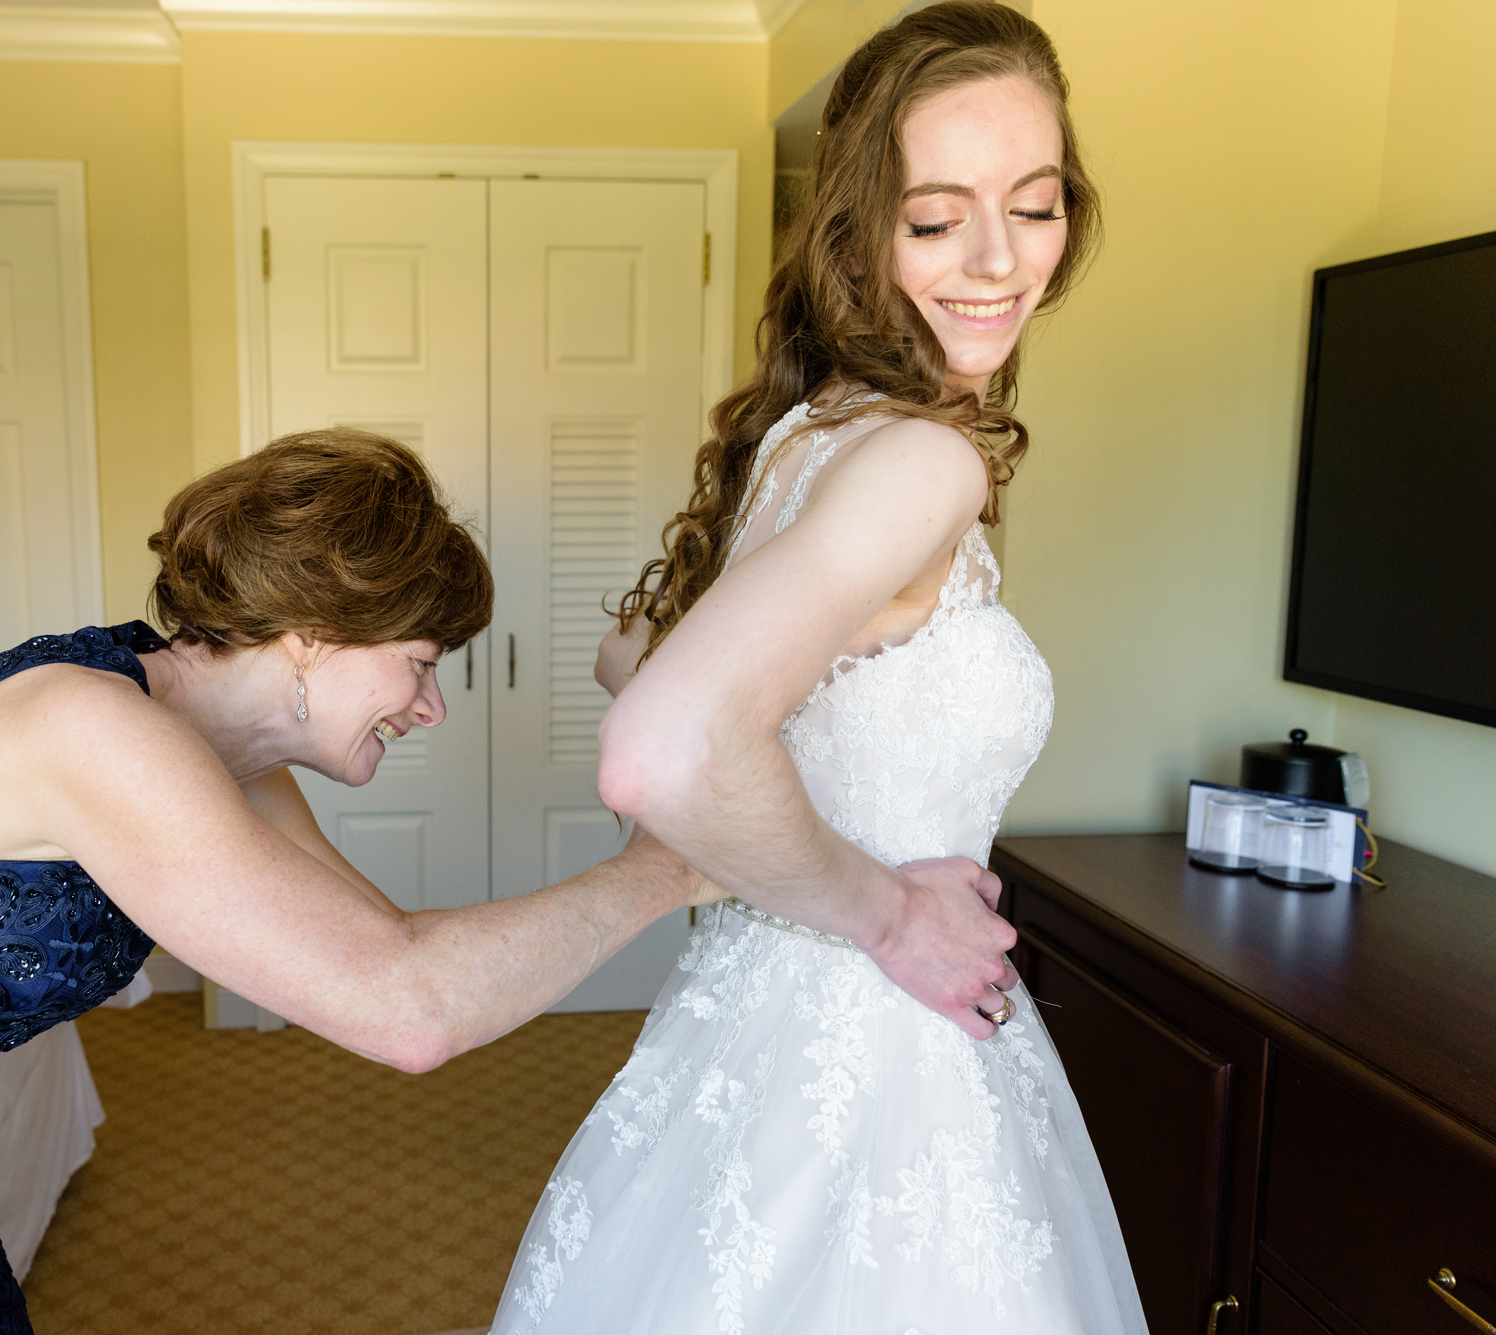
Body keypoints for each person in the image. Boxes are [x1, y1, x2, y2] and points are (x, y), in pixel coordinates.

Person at [0, 429, 727, 1334]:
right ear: (311, 632)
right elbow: (407, 1015)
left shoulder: (213, 740)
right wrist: (667, 865)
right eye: (416, 665)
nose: (428, 705)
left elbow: (379, 944)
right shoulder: (92, 730)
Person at [489, 4, 1148, 1333]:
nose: (997, 260)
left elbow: (638, 653)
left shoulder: (811, 430)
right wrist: (892, 911)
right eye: (935, 216)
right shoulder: (920, 458)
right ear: (859, 233)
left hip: (759, 1012)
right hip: (881, 1037)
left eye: (1034, 206)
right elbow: (663, 743)